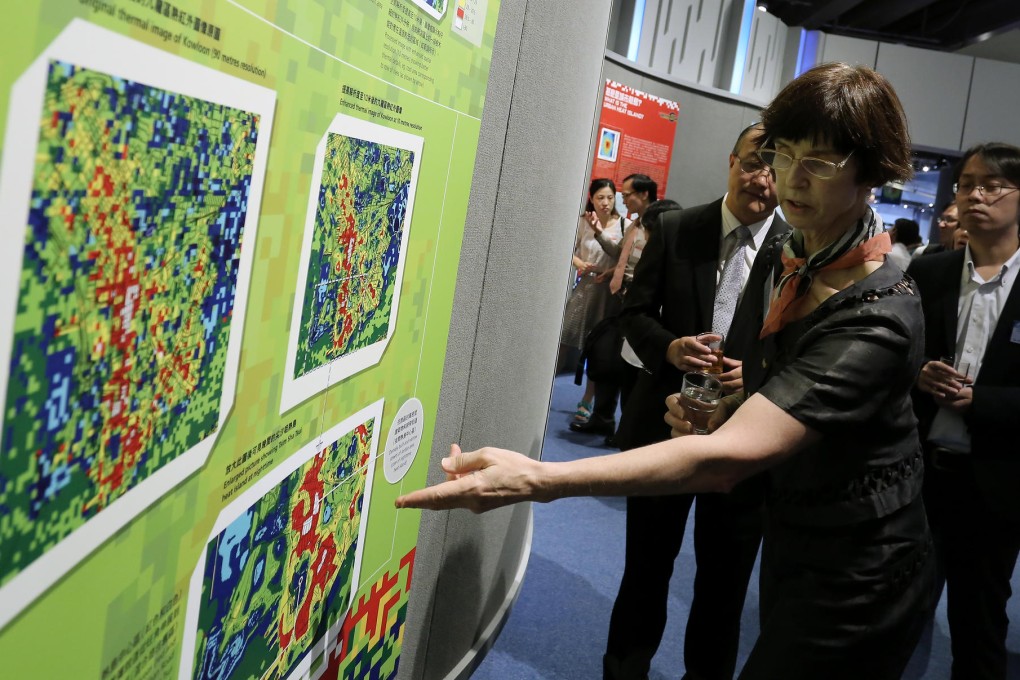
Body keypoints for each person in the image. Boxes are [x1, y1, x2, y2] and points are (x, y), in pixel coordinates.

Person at [397, 62, 934, 679]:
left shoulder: (878, 317)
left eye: (820, 162)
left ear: (872, 170)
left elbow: (729, 456)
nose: (789, 177)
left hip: (862, 560)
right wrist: (728, 403)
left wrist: (539, 478)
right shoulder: (799, 254)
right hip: (798, 527)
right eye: (782, 155)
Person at [604, 123, 783, 680]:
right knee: (645, 573)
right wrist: (671, 349)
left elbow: (803, 353)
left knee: (723, 589)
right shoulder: (679, 229)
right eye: (755, 162)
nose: (764, 178)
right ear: (731, 160)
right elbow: (631, 315)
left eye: (779, 168)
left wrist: (751, 379)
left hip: (744, 443)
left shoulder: (797, 250)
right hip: (663, 428)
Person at [908, 142, 1020, 680]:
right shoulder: (931, 272)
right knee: (896, 614)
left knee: (978, 629)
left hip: (994, 485)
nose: (977, 194)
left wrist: (983, 401)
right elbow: (893, 362)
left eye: (994, 185)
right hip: (918, 476)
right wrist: (918, 374)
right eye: (968, 183)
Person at [571, 174, 657, 438]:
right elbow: (620, 254)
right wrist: (598, 233)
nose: (621, 199)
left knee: (628, 368)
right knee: (606, 358)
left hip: (636, 307)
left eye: (626, 193)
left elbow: (651, 267)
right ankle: (603, 417)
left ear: (643, 195)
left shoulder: (657, 224)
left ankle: (624, 429)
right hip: (619, 302)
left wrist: (625, 277)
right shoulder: (635, 226)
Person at [560, 178, 624, 427]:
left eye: (610, 197)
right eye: (600, 197)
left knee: (599, 351)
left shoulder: (623, 225)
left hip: (607, 294)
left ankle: (586, 401)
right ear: (592, 198)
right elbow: (568, 248)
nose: (606, 202)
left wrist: (599, 230)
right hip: (584, 289)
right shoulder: (582, 222)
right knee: (565, 338)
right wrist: (578, 263)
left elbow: (617, 256)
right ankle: (541, 389)